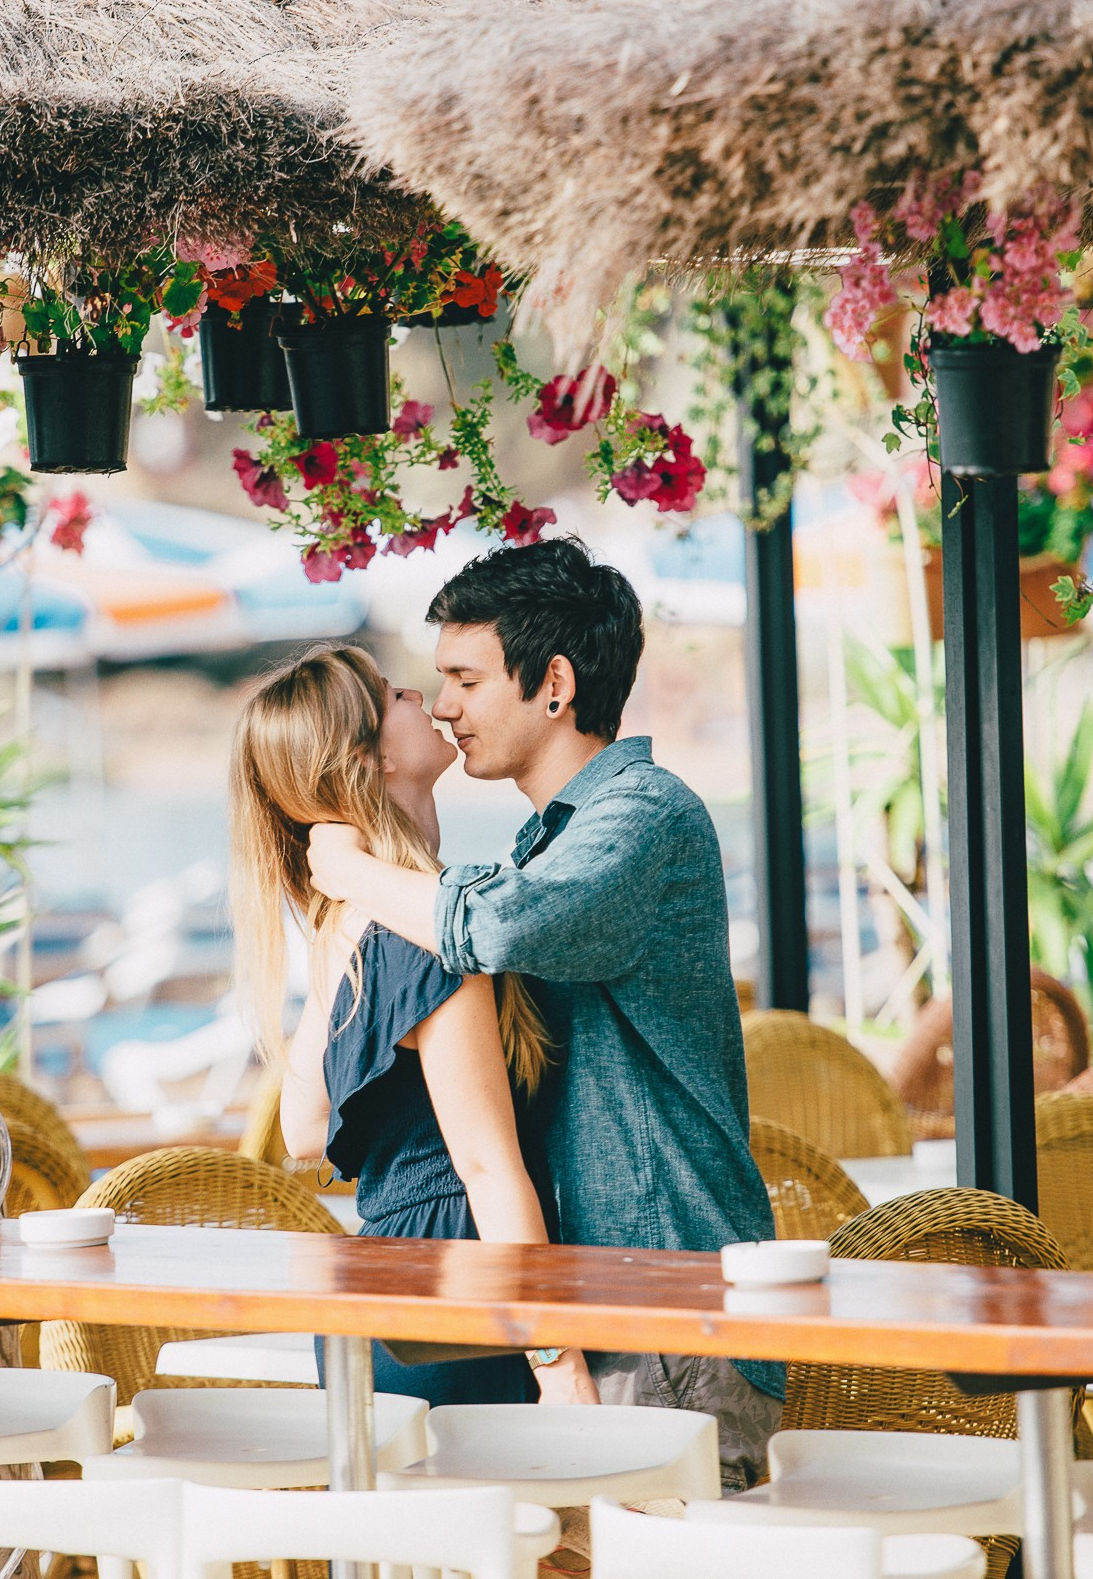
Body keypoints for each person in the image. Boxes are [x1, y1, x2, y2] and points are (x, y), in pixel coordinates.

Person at [306, 537, 782, 1486]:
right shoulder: (545, 843)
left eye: (464, 678)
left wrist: (349, 872)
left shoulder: (643, 815)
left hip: (663, 1301)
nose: (443, 707)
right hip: (599, 1299)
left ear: (554, 682)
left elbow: (492, 928)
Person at [229, 642, 591, 1406]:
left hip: (385, 1291)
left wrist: (348, 892)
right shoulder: (426, 935)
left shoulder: (349, 927)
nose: (422, 696)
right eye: (394, 694)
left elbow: (302, 1127)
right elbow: (488, 1166)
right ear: (369, 760)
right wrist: (559, 1363)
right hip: (458, 1289)